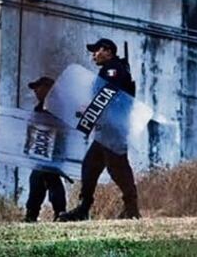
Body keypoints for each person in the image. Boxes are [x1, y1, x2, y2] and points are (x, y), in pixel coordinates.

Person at [58, 38, 140, 221]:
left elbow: (107, 95)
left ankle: (132, 209)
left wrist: (91, 112)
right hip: (107, 129)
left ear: (108, 51)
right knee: (90, 166)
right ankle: (84, 208)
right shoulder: (114, 68)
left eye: (97, 50)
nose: (93, 55)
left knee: (117, 168)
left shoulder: (113, 69)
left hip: (113, 129)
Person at [23, 76, 68, 222]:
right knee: (41, 179)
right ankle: (39, 213)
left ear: (48, 89)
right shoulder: (40, 107)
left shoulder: (57, 106)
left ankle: (54, 212)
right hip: (41, 151)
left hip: (53, 150)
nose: (35, 90)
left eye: (38, 87)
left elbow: (61, 129)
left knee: (46, 178)